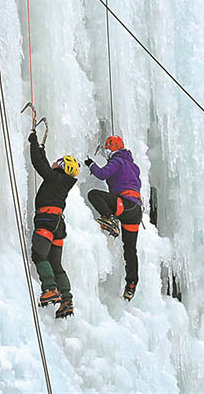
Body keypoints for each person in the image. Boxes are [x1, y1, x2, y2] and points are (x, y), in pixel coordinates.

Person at [28, 130, 79, 319]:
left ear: (63, 166)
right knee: (56, 263)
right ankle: (67, 300)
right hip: (58, 224)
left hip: (46, 219)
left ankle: (49, 288)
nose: (56, 162)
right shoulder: (61, 180)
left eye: (59, 161)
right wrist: (41, 149)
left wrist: (33, 142)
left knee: (39, 254)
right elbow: (44, 164)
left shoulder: (55, 177)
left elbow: (38, 165)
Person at [84, 136, 142, 301]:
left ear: (113, 148)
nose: (107, 152)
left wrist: (91, 164)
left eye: (108, 148)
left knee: (94, 194)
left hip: (123, 204)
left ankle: (109, 219)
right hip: (135, 210)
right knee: (130, 249)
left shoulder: (118, 161)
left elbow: (102, 174)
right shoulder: (134, 166)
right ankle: (131, 283)